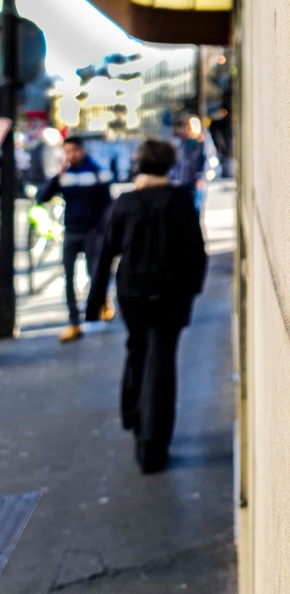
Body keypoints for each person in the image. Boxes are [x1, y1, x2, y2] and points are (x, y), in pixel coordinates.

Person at [87, 139, 207, 474]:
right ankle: (153, 445)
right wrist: (191, 292)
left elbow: (106, 253)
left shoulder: (125, 203)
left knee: (137, 349)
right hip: (171, 294)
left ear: (139, 165)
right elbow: (195, 251)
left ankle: (134, 418)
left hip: (132, 293)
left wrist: (94, 302)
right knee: (162, 362)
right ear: (169, 165)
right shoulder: (180, 200)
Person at [38, 136, 113, 343]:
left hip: (92, 232)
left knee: (93, 273)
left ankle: (100, 302)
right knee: (68, 277)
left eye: (74, 150)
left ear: (82, 150)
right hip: (71, 231)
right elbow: (42, 197)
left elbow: (108, 204)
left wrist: (101, 229)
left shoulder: (97, 172)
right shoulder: (64, 175)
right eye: (67, 151)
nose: (71, 155)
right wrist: (57, 176)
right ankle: (74, 322)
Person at [170, 116, 209, 216]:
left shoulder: (202, 143)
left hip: (195, 183)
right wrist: (174, 178)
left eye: (189, 127)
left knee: (195, 210)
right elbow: (177, 163)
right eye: (186, 126)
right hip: (182, 182)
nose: (186, 129)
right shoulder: (182, 143)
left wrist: (201, 178)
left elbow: (206, 162)